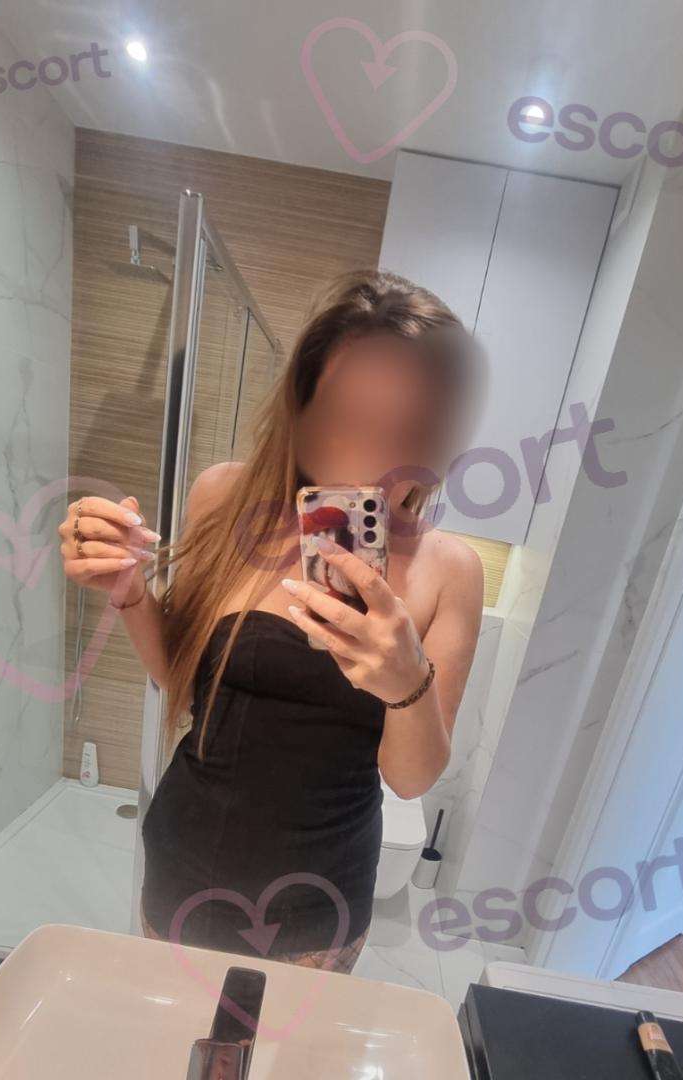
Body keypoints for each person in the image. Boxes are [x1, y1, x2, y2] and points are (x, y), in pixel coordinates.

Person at [58, 268, 486, 973]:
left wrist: (404, 682)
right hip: (181, 865)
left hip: (317, 905)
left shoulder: (450, 570)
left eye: (408, 427)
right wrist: (128, 590)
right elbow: (185, 680)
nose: (378, 455)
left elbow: (412, 779)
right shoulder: (223, 498)